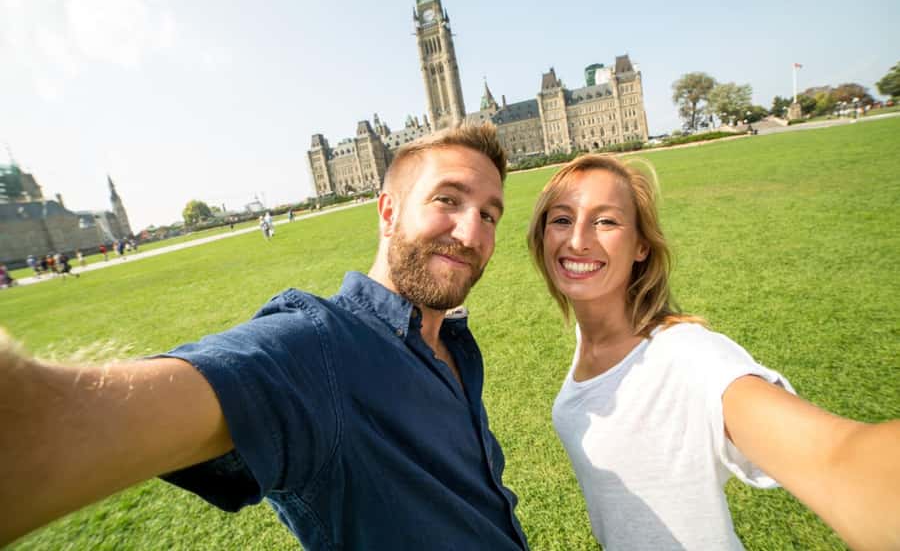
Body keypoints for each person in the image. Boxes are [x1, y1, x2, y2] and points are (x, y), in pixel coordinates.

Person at [1, 124, 528, 550]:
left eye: (489, 214)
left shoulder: (452, 342)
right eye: (448, 201)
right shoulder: (318, 349)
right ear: (388, 212)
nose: (472, 233)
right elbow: (48, 427)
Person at [526, 154, 900, 551]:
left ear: (640, 246)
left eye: (606, 221)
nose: (578, 239)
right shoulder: (595, 340)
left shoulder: (688, 355)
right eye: (562, 219)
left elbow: (836, 458)